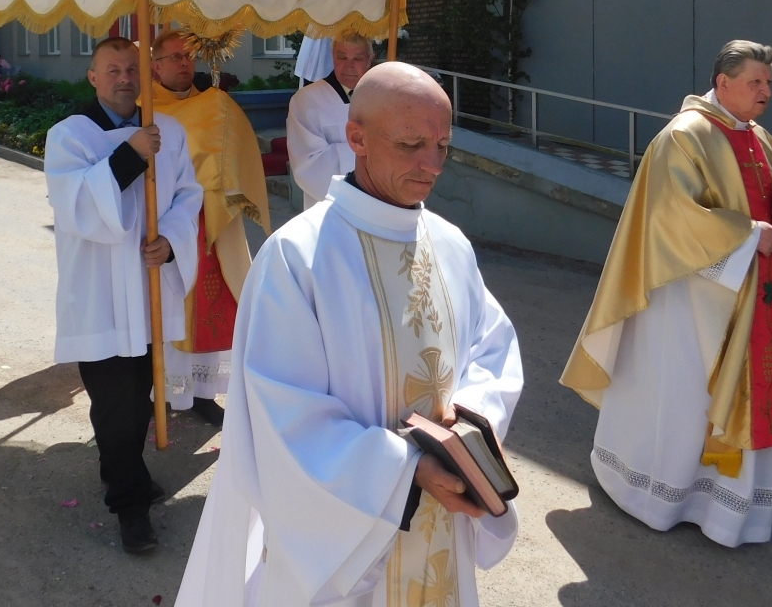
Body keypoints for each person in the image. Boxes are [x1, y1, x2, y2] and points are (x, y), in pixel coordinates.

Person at [177, 61, 523, 607]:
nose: (432, 165)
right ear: (355, 137)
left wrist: (472, 425)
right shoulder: (298, 257)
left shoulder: (451, 244)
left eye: (443, 145)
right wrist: (407, 469)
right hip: (348, 543)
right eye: (411, 144)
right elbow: (283, 415)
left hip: (442, 519)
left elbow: (492, 348)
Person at [560, 40, 772, 548]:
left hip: (753, 297)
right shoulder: (684, 137)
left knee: (750, 390)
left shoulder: (760, 138)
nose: (765, 91)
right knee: (684, 397)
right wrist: (751, 236)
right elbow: (671, 216)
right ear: (723, 83)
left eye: (768, 83)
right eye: (755, 82)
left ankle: (729, 508)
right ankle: (658, 496)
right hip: (687, 300)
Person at [44, 37, 202, 554]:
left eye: (132, 69)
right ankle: (129, 505)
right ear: (92, 76)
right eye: (112, 69)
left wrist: (172, 242)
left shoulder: (169, 130)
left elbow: (187, 195)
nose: (124, 78)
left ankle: (125, 472)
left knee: (140, 397)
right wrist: (130, 155)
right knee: (114, 405)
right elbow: (78, 207)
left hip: (147, 287)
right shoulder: (68, 136)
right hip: (100, 295)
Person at [150, 30, 271, 427]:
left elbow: (237, 153)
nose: (183, 63)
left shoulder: (215, 103)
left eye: (188, 56)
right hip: (168, 224)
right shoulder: (145, 107)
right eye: (173, 58)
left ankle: (202, 393)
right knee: (168, 304)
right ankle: (163, 390)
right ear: (156, 65)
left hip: (214, 221)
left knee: (213, 304)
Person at [286, 32, 375, 209]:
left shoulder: (384, 98)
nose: (349, 66)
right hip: (328, 208)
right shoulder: (307, 100)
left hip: (379, 207)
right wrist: (374, 153)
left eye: (358, 58)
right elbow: (307, 165)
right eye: (342, 57)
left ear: (370, 59)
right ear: (332, 56)